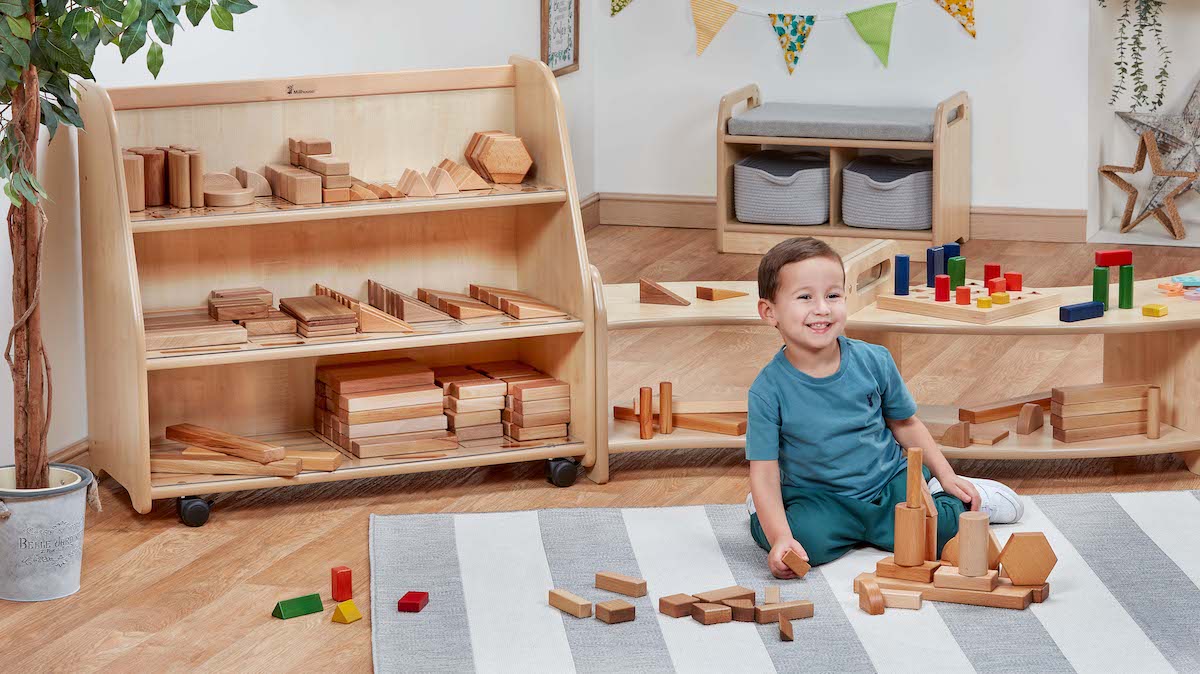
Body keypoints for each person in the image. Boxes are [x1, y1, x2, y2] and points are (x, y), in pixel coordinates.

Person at [746, 237, 1022, 578]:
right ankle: (770, 512)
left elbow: (905, 424)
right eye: (805, 297)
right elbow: (764, 469)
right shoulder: (767, 389)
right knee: (803, 543)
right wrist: (781, 537)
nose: (823, 308)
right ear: (769, 312)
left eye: (833, 295)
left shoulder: (874, 360)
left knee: (936, 535)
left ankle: (957, 493)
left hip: (887, 482)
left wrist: (946, 475)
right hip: (819, 497)